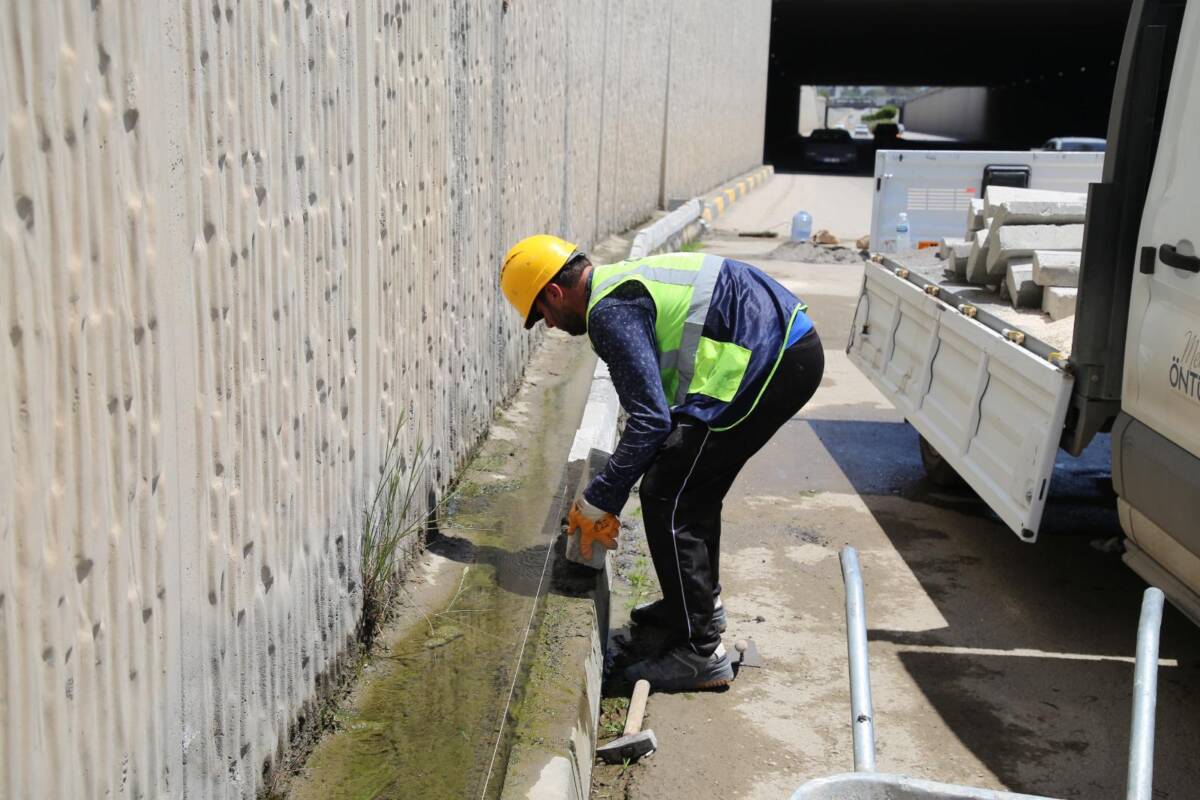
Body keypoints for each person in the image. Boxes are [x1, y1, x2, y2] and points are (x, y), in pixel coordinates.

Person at [500, 234, 824, 690]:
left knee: (669, 491)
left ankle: (698, 651)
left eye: (543, 314)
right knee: (692, 482)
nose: (550, 324)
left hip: (772, 356)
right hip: (780, 348)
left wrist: (599, 499)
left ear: (554, 292)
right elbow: (653, 415)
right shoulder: (618, 287)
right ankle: (693, 609)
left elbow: (650, 421)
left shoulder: (609, 313)